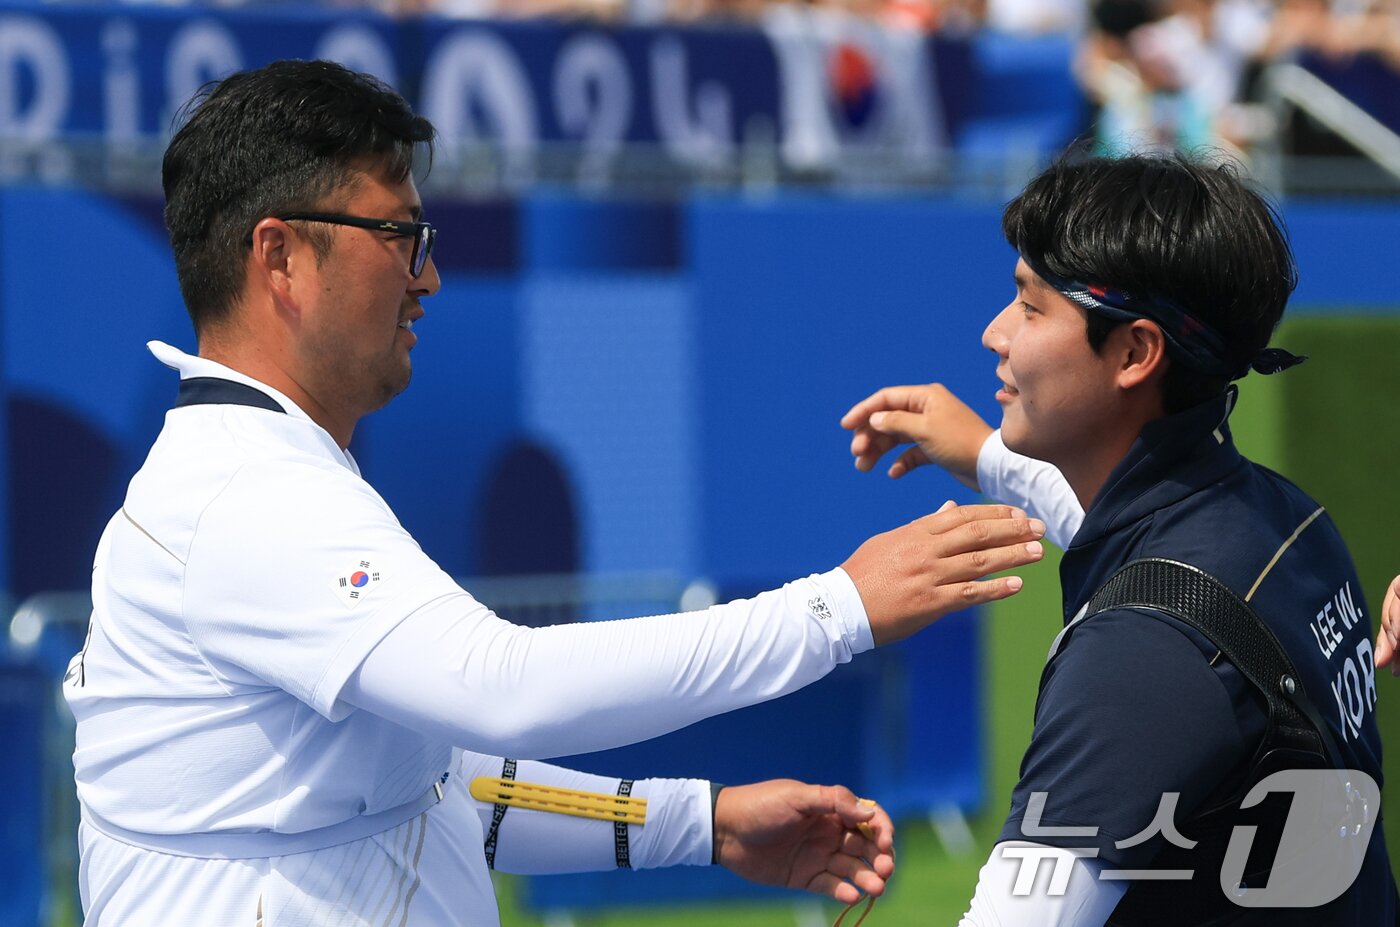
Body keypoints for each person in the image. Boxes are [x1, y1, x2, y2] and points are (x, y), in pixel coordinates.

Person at [61, 59, 1047, 926]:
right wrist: (831, 613)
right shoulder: (248, 497)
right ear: (279, 256)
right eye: (400, 234)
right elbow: (505, 690)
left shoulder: (263, 476)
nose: (429, 277)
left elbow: (436, 784)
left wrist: (696, 823)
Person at [842, 152, 1396, 924]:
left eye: (1032, 308)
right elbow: (1161, 567)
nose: (994, 333)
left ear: (1136, 353)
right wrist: (982, 454)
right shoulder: (1288, 522)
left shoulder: (1139, 656)